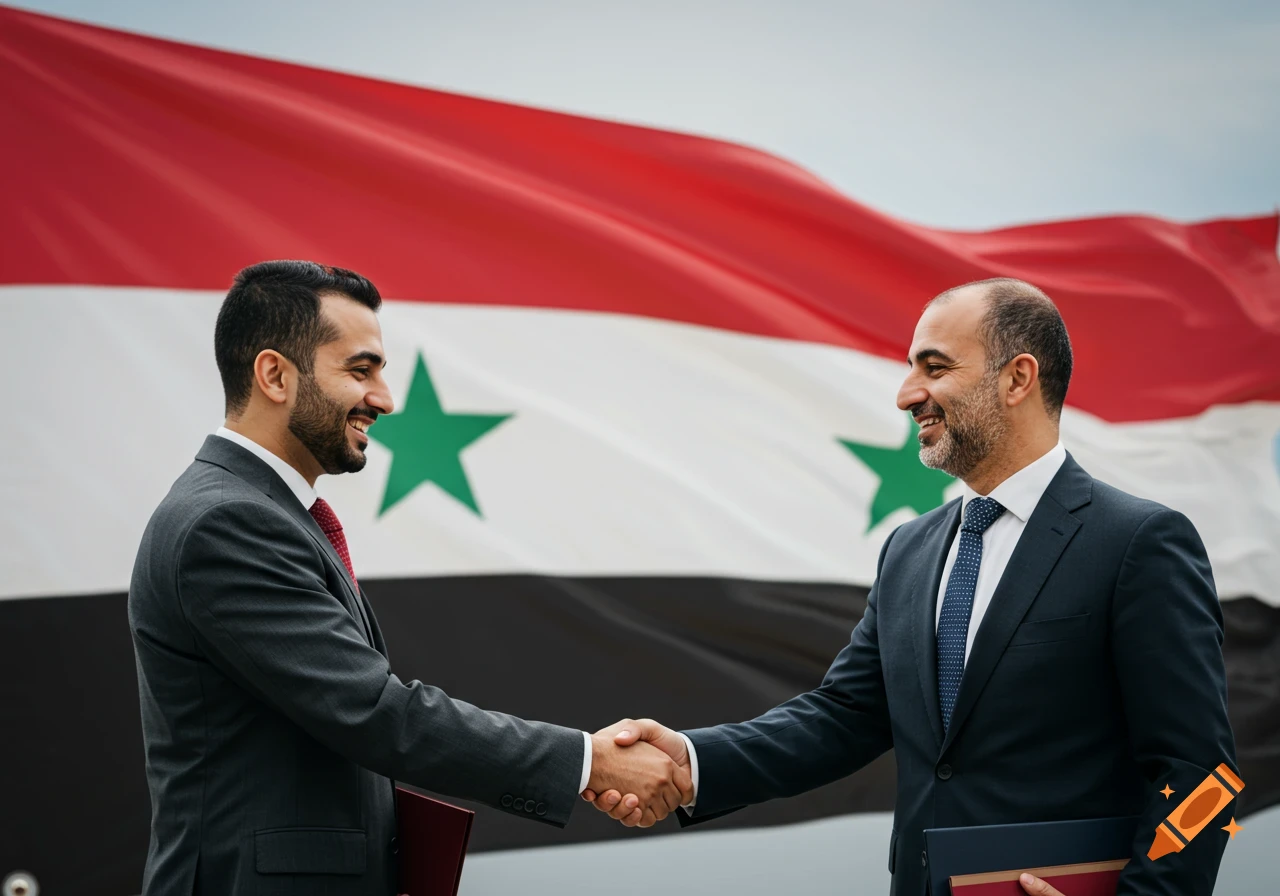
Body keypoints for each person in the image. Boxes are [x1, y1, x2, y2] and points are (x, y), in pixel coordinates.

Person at [584, 278, 1237, 896]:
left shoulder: (1138, 542)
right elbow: (845, 717)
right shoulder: (909, 550)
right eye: (910, 369)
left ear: (1018, 378)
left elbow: (1207, 779)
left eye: (935, 367)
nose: (906, 395)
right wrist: (691, 761)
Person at [128, 260, 690, 896]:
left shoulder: (262, 512)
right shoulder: (228, 523)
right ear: (275, 375)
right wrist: (586, 763)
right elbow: (373, 713)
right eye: (360, 370)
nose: (385, 399)